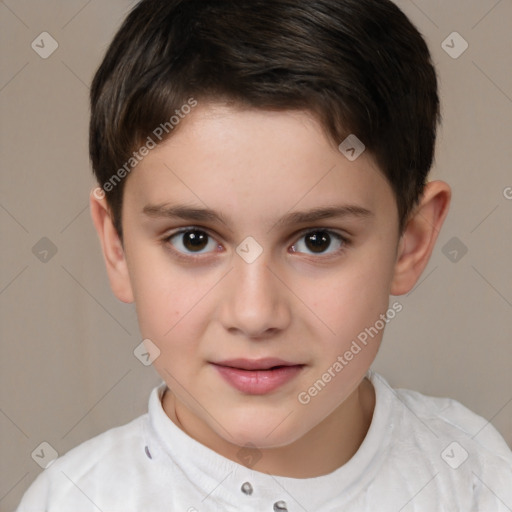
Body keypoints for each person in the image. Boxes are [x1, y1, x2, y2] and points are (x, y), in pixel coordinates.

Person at [16, 0, 512, 510]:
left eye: (318, 240)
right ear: (116, 247)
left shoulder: (474, 476)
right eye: (194, 239)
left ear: (410, 242)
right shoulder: (76, 499)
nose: (254, 315)